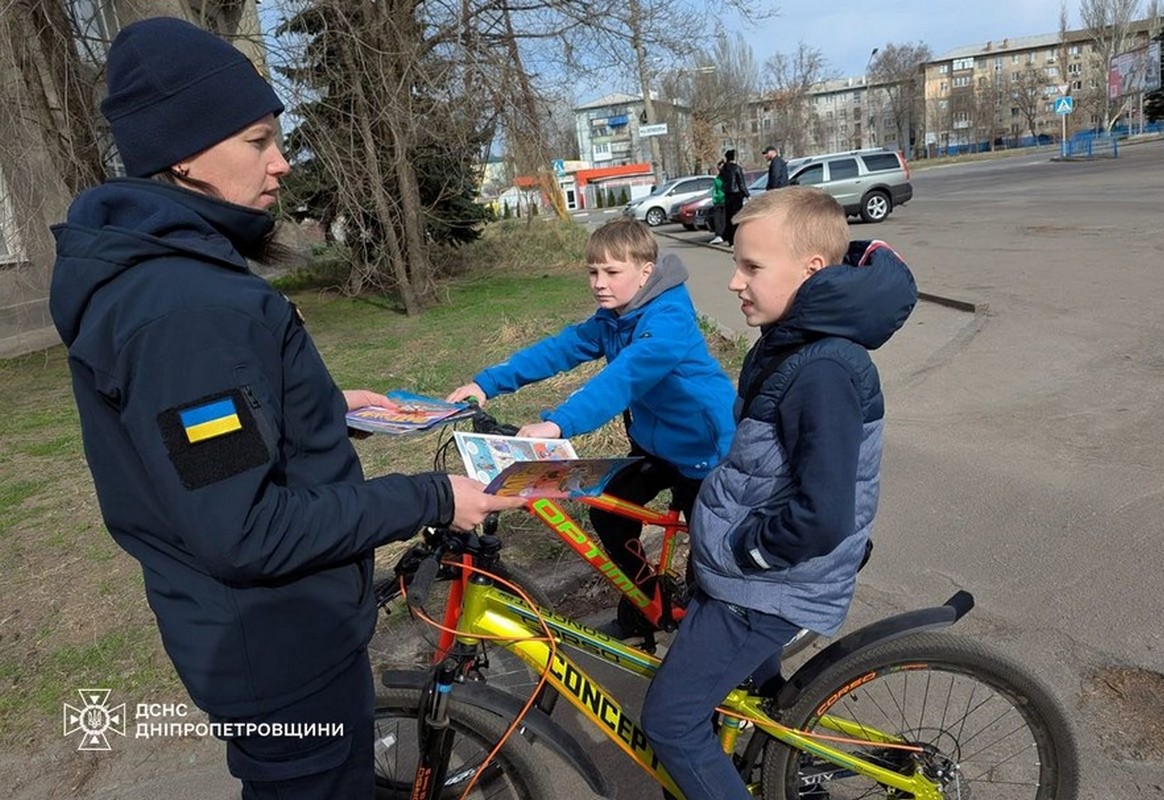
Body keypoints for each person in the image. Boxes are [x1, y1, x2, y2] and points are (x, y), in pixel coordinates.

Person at [48, 17, 524, 799]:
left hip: (268, 639)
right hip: (276, 650)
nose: (283, 162)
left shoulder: (172, 277)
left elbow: (202, 438)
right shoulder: (183, 307)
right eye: (259, 141)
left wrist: (323, 411)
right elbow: (245, 529)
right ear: (187, 154)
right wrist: (432, 496)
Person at [640, 186, 917, 799]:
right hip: (750, 575)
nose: (736, 281)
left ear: (812, 270)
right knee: (749, 707)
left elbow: (823, 513)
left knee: (670, 722)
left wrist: (746, 551)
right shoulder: (793, 336)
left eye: (751, 266)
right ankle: (782, 777)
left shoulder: (823, 368)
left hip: (768, 585)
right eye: (735, 262)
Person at [447, 217, 736, 636]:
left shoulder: (669, 317)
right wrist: (485, 383)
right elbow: (559, 350)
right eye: (593, 272)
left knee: (710, 567)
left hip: (706, 451)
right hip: (655, 445)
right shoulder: (613, 316)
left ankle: (716, 642)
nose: (599, 283)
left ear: (645, 273)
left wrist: (558, 423)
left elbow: (627, 376)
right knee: (611, 513)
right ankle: (647, 600)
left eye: (612, 272)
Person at [717, 149, 750, 245]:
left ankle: (731, 241)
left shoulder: (724, 169)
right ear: (734, 158)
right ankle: (738, 239)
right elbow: (741, 183)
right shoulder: (737, 168)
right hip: (736, 196)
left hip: (727, 196)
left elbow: (720, 176)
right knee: (737, 218)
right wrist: (747, 195)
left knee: (729, 218)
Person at [707, 159, 725, 246]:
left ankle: (723, 235)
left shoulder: (726, 177)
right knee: (718, 219)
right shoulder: (717, 178)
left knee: (724, 219)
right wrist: (714, 199)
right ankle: (719, 235)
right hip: (718, 201)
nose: (720, 169)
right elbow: (715, 190)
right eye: (719, 167)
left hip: (725, 200)